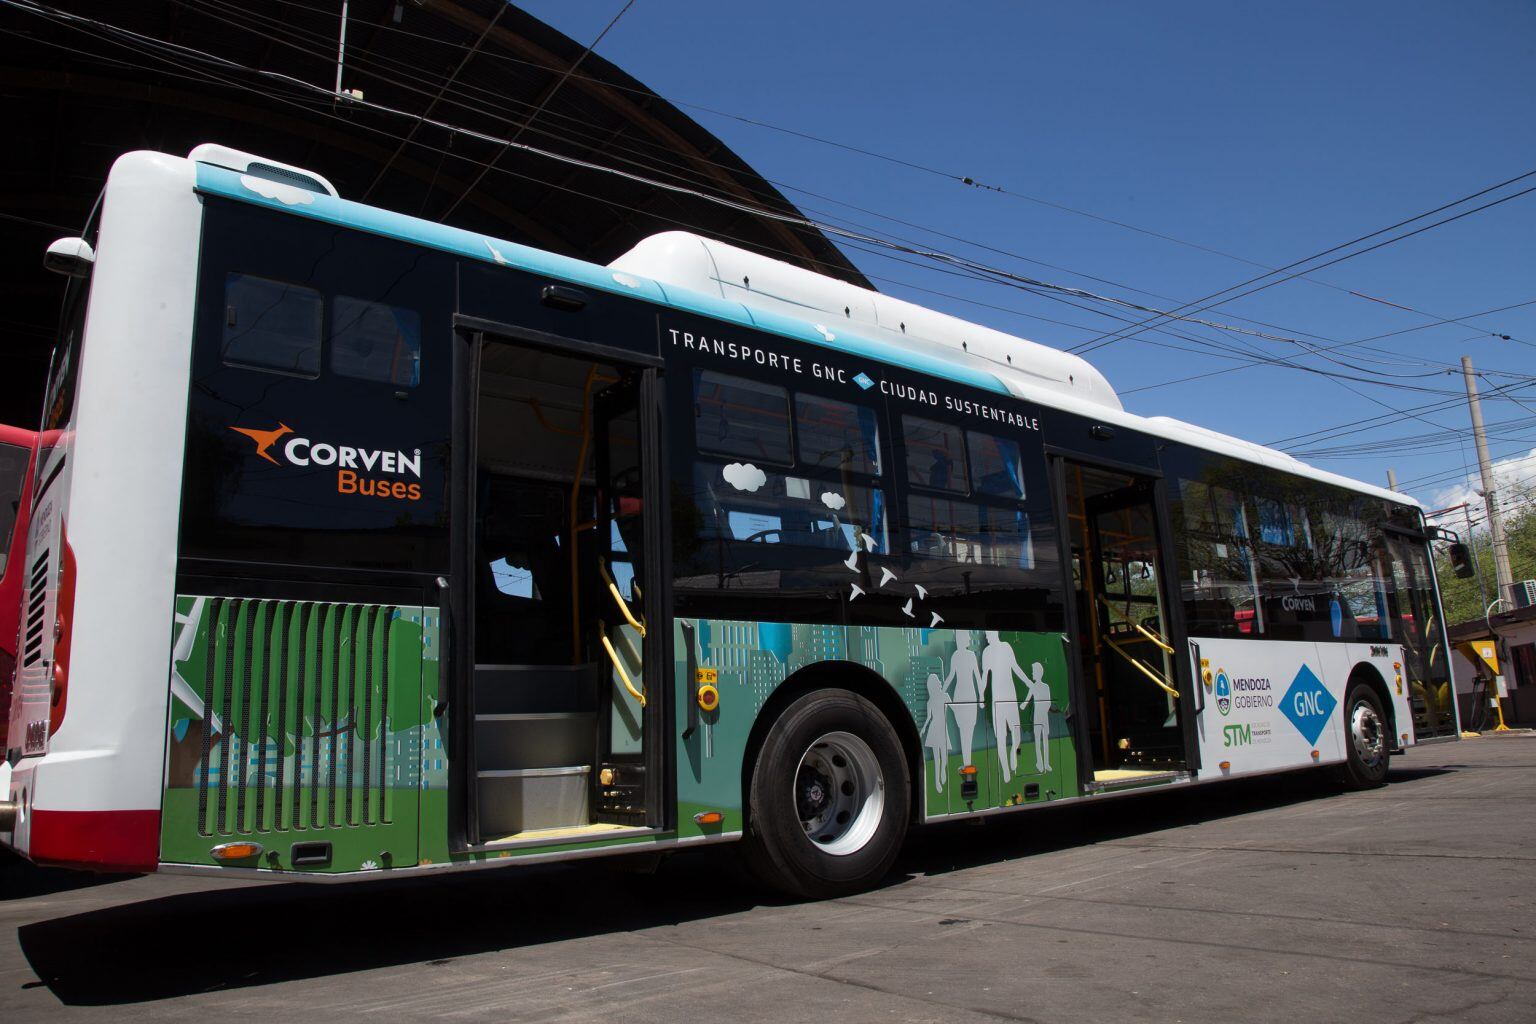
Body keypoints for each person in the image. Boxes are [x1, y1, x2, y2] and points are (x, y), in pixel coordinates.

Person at [981, 630, 1029, 783]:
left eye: (988, 634)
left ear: (995, 634)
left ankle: (1014, 755)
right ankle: (1006, 770)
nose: (986, 637)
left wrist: (1028, 682)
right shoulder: (987, 652)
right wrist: (981, 696)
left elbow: (1015, 667)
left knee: (1016, 734)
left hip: (1010, 697)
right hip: (997, 701)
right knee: (1000, 738)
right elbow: (984, 677)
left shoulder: (1006, 647)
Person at [942, 630, 982, 768]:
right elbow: (952, 676)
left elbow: (976, 676)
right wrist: (942, 690)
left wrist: (982, 695)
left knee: (966, 730)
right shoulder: (959, 656)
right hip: (965, 697)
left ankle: (967, 763)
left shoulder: (965, 656)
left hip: (966, 697)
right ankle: (967, 763)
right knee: (965, 730)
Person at [1021, 661, 1053, 773]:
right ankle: (1039, 762)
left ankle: (1046, 763)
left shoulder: (1045, 687)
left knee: (1045, 740)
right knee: (1038, 740)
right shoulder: (1034, 687)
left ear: (1039, 672)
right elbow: (1027, 699)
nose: (1032, 673)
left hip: (1043, 717)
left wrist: (1042, 709)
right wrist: (1023, 705)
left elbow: (1048, 702)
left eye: (1034, 671)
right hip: (1038, 717)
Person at [921, 672, 949, 792]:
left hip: (942, 728)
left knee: (944, 756)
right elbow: (928, 718)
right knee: (937, 758)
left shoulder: (945, 696)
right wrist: (923, 728)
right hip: (935, 728)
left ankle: (943, 770)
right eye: (937, 680)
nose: (939, 682)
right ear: (933, 685)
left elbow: (954, 707)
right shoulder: (930, 701)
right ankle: (937, 781)